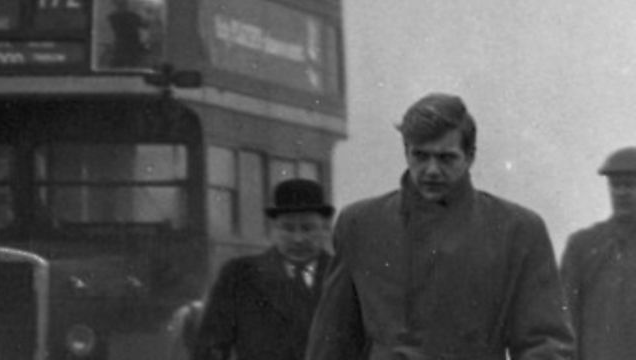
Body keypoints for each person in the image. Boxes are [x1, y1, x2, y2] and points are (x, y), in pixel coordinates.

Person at [306, 92, 572, 360]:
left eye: (446, 158)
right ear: (405, 151)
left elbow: (545, 342)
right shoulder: (360, 224)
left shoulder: (517, 230)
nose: (431, 170)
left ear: (470, 157)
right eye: (420, 156)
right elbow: (332, 339)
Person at [191, 178, 334, 360]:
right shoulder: (239, 275)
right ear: (273, 229)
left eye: (307, 228)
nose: (298, 238)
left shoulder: (344, 276)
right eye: (288, 228)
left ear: (325, 228)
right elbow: (211, 347)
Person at [559, 146, 636, 359]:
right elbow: (564, 323)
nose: (621, 192)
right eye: (615, 185)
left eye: (630, 184)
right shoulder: (582, 246)